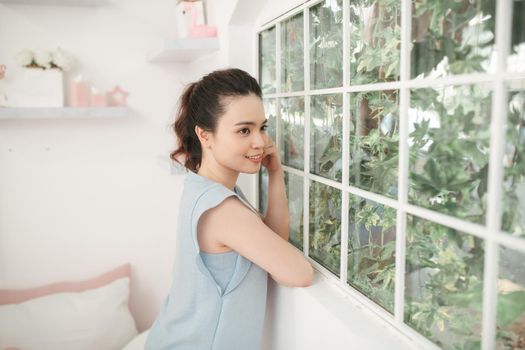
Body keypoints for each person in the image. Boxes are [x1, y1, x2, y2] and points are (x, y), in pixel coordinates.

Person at [145, 68, 313, 350]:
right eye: (244, 130)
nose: (259, 141)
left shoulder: (206, 188)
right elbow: (299, 273)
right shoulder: (223, 210)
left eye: (262, 127)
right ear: (205, 135)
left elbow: (272, 242)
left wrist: (275, 174)